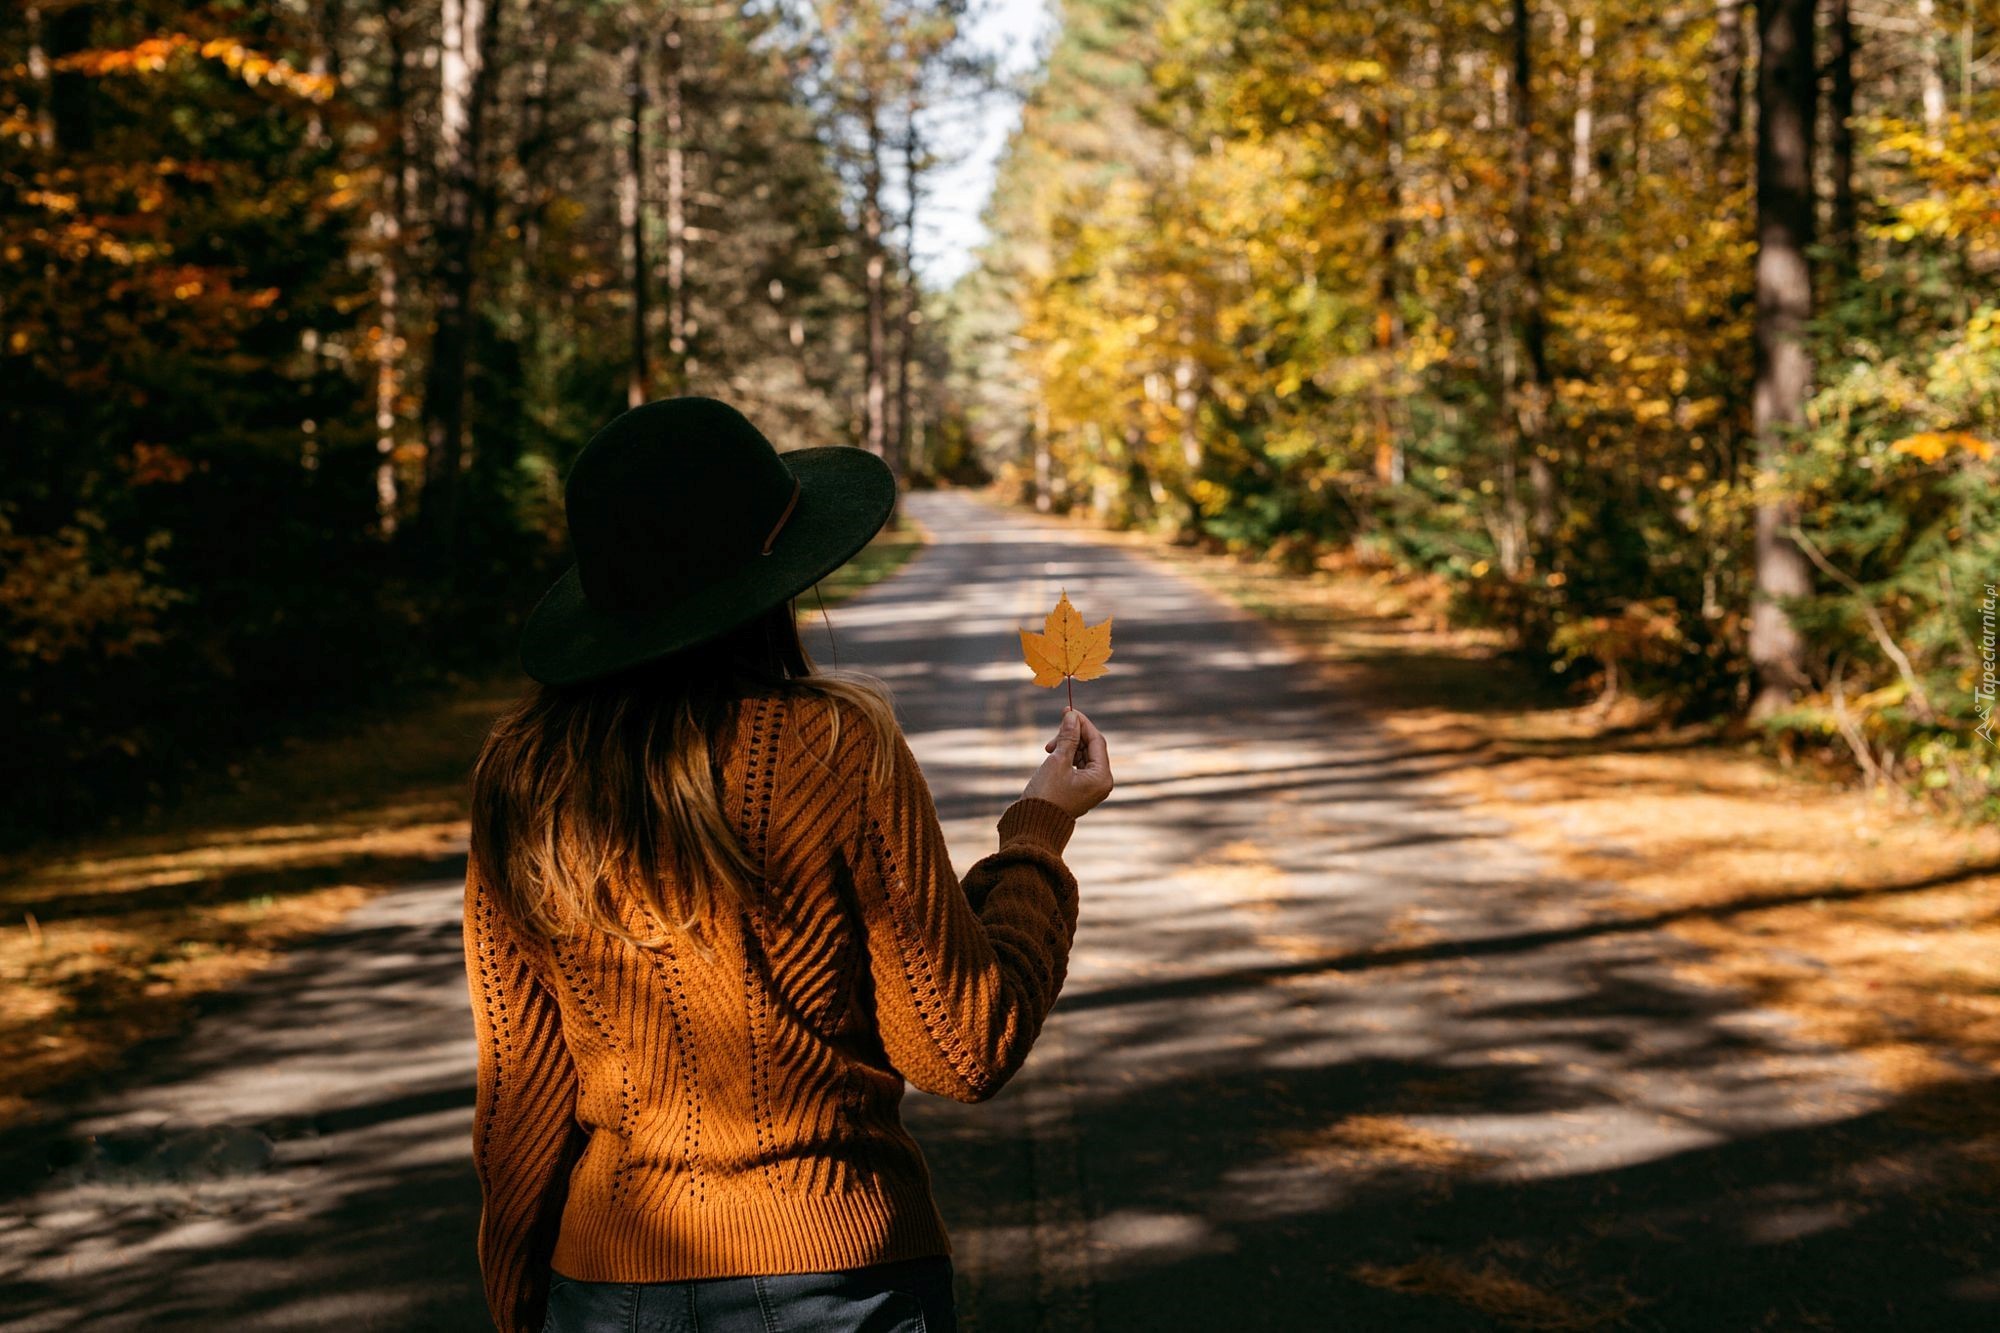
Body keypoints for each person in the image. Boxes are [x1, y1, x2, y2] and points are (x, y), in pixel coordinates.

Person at [461, 396, 1113, 1333]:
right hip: (836, 1281)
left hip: (602, 1288)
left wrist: (525, 1299)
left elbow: (519, 1098)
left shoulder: (521, 775)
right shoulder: (837, 744)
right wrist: (1039, 835)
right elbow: (962, 1043)